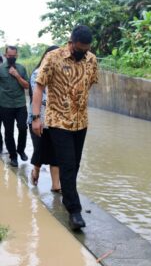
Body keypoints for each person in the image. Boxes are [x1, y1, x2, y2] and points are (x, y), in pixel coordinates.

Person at [32, 25, 98, 230]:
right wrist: (35, 117)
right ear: (71, 43)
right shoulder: (53, 57)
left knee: (75, 164)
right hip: (58, 121)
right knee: (67, 164)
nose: (83, 53)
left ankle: (67, 197)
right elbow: (39, 85)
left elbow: (89, 84)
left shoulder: (92, 60)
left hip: (81, 121)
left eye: (86, 50)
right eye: (79, 49)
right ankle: (74, 212)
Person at [28, 45, 61, 192]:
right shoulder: (37, 73)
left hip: (56, 120)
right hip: (39, 118)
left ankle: (55, 185)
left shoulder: (61, 75)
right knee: (40, 150)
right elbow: (40, 95)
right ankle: (36, 171)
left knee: (56, 152)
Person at [0, 46, 29, 167]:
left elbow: (27, 86)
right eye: (9, 55)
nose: (11, 57)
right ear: (6, 55)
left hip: (20, 104)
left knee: (23, 128)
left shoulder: (21, 68)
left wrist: (17, 75)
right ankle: (13, 157)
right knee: (9, 132)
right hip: (5, 105)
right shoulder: (0, 69)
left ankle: (21, 150)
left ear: (17, 55)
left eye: (14, 55)